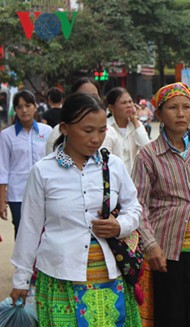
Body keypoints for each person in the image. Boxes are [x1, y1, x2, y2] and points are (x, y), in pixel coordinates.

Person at [9, 93, 142, 326]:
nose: (96, 138)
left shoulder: (113, 165)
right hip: (60, 275)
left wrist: (119, 225)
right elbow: (30, 228)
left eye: (102, 130)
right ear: (65, 128)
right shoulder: (43, 171)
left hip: (109, 273)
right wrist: (20, 281)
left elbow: (134, 208)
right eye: (87, 130)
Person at [132, 82, 190, 327]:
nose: (181, 114)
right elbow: (138, 205)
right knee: (171, 317)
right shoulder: (148, 156)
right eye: (172, 108)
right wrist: (150, 245)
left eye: (186, 107)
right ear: (158, 114)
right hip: (167, 253)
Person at [0, 90, 52, 238]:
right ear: (15, 110)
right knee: (22, 232)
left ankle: (41, 262)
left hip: (44, 191)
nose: (24, 110)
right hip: (18, 194)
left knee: (44, 232)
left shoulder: (47, 131)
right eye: (19, 107)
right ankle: (23, 261)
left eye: (28, 105)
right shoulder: (6, 136)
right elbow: (2, 169)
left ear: (35, 107)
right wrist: (1, 201)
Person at [45, 77, 102, 154]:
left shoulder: (110, 132)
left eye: (94, 97)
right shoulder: (57, 132)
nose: (90, 101)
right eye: (83, 97)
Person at [103, 87, 151, 172]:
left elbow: (147, 149)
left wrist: (135, 120)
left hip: (132, 179)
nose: (129, 105)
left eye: (130, 101)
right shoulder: (106, 127)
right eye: (124, 103)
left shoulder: (136, 125)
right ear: (111, 107)